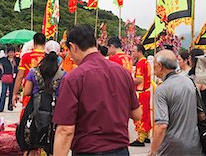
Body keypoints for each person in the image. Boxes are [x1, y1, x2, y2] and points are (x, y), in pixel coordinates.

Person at [53, 24, 142, 156]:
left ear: (73, 47)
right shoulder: (123, 73)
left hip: (89, 150)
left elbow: (65, 130)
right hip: (121, 150)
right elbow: (137, 114)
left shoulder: (74, 78)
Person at [148, 49, 201, 156]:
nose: (153, 70)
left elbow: (161, 125)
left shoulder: (162, 89)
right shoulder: (189, 82)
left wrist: (153, 151)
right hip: (194, 144)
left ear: (160, 65)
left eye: (154, 65)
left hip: (171, 147)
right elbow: (201, 114)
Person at [22, 40, 66, 155]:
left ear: (44, 54)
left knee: (31, 144)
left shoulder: (34, 72)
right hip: (54, 113)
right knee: (51, 144)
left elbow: (26, 92)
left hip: (34, 109)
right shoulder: (62, 74)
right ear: (58, 55)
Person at [12, 33, 46, 110]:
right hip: (45, 93)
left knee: (26, 116)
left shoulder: (26, 56)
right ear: (45, 43)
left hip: (28, 91)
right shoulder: (48, 57)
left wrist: (14, 94)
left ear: (33, 43)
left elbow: (20, 76)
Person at [130, 44, 152, 147]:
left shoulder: (140, 64)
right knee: (146, 114)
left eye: (134, 51)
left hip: (141, 92)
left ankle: (141, 138)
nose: (133, 53)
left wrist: (128, 81)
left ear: (139, 52)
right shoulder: (146, 62)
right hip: (146, 91)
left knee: (140, 116)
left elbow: (139, 80)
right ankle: (146, 135)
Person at [0, 46, 19, 112]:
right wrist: (1, 72)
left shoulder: (17, 60)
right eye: (10, 52)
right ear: (7, 53)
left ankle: (10, 106)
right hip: (6, 77)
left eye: (12, 52)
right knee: (3, 92)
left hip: (14, 78)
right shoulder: (3, 59)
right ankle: (1, 107)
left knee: (12, 93)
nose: (11, 54)